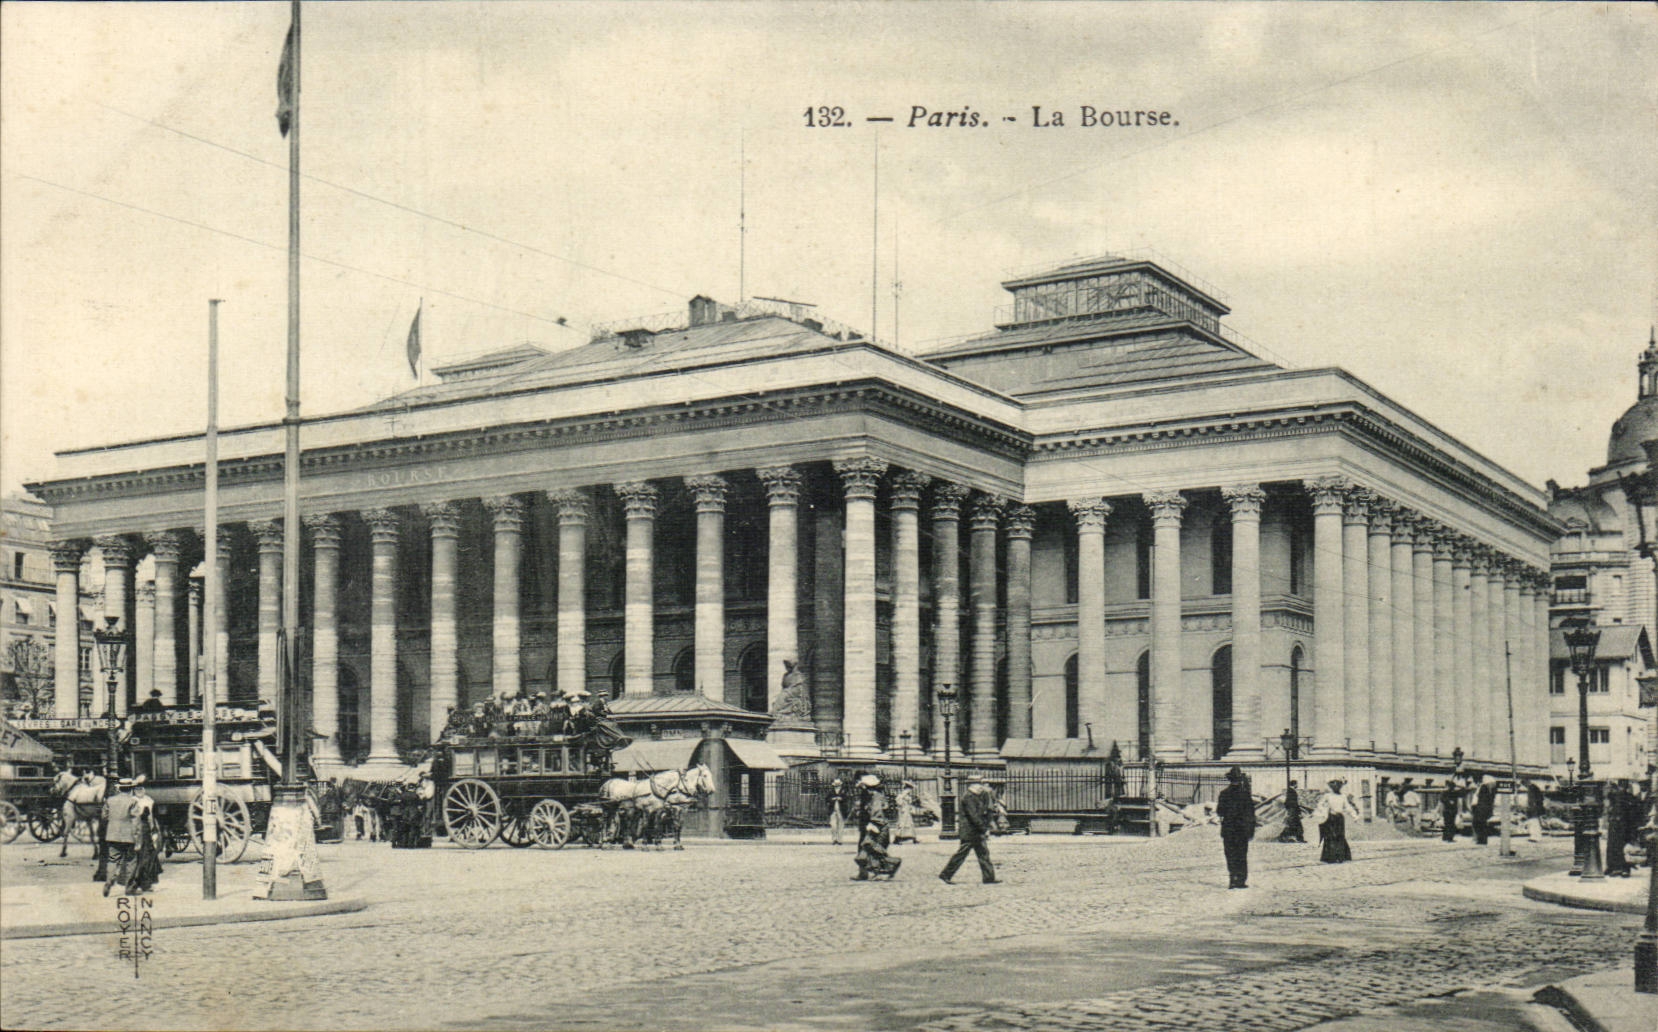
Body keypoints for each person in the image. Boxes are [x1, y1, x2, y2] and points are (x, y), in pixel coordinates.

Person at [939, 774, 998, 884]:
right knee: (961, 854)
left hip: (976, 831)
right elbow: (973, 816)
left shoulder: (978, 796)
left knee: (984, 854)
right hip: (969, 831)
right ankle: (945, 874)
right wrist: (984, 828)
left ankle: (989, 878)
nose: (981, 787)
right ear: (972, 785)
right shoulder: (968, 797)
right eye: (979, 784)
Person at [1217, 766, 1256, 889]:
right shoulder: (1245, 794)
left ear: (1230, 779)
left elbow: (1219, 811)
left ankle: (1232, 878)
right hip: (1242, 830)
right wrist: (1251, 830)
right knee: (1241, 855)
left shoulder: (1224, 794)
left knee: (1230, 854)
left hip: (1228, 829)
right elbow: (1251, 813)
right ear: (1240, 780)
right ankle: (1241, 880)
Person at [101, 777, 140, 897]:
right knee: (131, 861)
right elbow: (136, 822)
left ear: (119, 789)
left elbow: (104, 816)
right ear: (131, 789)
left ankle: (108, 882)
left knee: (112, 860)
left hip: (112, 835)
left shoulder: (110, 800)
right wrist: (137, 839)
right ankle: (129, 888)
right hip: (128, 836)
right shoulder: (133, 802)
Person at [126, 777, 163, 894]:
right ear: (134, 790)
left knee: (149, 857)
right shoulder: (131, 801)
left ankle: (147, 884)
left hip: (147, 831)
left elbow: (154, 817)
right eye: (137, 789)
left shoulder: (150, 801)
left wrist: (154, 830)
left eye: (141, 789)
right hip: (135, 831)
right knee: (138, 859)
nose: (139, 791)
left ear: (144, 789)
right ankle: (135, 884)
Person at [1312, 778, 1360, 864]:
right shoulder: (1328, 796)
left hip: (1339, 818)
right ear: (1331, 787)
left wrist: (1354, 816)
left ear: (1340, 787)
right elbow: (1320, 804)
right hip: (1330, 818)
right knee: (1331, 836)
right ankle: (1330, 858)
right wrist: (1324, 811)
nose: (1336, 787)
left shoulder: (1343, 797)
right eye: (1334, 786)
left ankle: (1340, 857)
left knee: (1340, 836)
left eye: (1338, 786)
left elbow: (1348, 807)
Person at [1605, 781, 1632, 876]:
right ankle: (1612, 866)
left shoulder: (1627, 797)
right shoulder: (1612, 797)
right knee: (1611, 845)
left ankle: (1623, 868)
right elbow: (1609, 810)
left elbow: (1629, 813)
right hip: (1614, 823)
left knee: (1621, 846)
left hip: (1623, 824)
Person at [1472, 775, 1496, 845]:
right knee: (1481, 824)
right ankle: (1481, 839)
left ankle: (1481, 839)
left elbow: (1481, 798)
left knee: (1479, 823)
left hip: (1481, 808)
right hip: (1482, 808)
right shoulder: (1488, 789)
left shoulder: (1484, 787)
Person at [1440, 778, 1462, 842]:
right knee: (1450, 824)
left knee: (1448, 824)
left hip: (1448, 810)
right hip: (1450, 810)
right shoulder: (1450, 793)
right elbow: (1442, 799)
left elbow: (1442, 799)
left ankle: (1446, 837)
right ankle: (1449, 837)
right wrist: (1448, 801)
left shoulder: (1448, 792)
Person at [827, 777, 847, 845]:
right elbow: (827, 799)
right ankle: (834, 839)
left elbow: (847, 798)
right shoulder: (831, 791)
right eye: (836, 784)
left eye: (838, 784)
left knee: (840, 825)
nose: (837, 785)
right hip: (833, 810)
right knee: (833, 826)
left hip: (841, 810)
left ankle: (840, 840)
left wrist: (841, 799)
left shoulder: (844, 791)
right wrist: (832, 799)